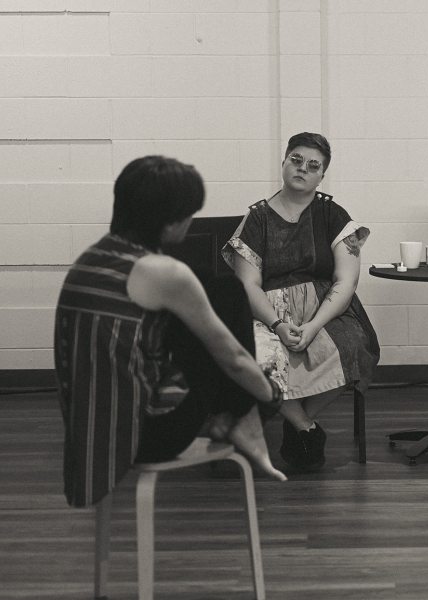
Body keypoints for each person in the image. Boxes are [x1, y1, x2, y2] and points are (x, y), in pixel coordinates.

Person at [55, 156, 286, 509]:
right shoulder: (162, 273)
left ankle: (238, 414)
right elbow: (234, 358)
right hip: (143, 434)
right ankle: (246, 419)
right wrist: (270, 397)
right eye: (189, 213)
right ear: (169, 223)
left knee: (214, 288)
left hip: (88, 432)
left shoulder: (96, 256)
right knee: (229, 295)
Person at [225, 132, 380, 473]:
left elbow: (346, 281)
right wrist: (278, 325)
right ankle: (305, 427)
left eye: (313, 165)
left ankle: (297, 420)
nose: (302, 169)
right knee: (255, 355)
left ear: (322, 175)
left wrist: (314, 325)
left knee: (354, 345)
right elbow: (246, 284)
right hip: (267, 314)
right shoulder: (257, 219)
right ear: (284, 162)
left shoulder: (333, 216)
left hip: (325, 311)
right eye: (296, 160)